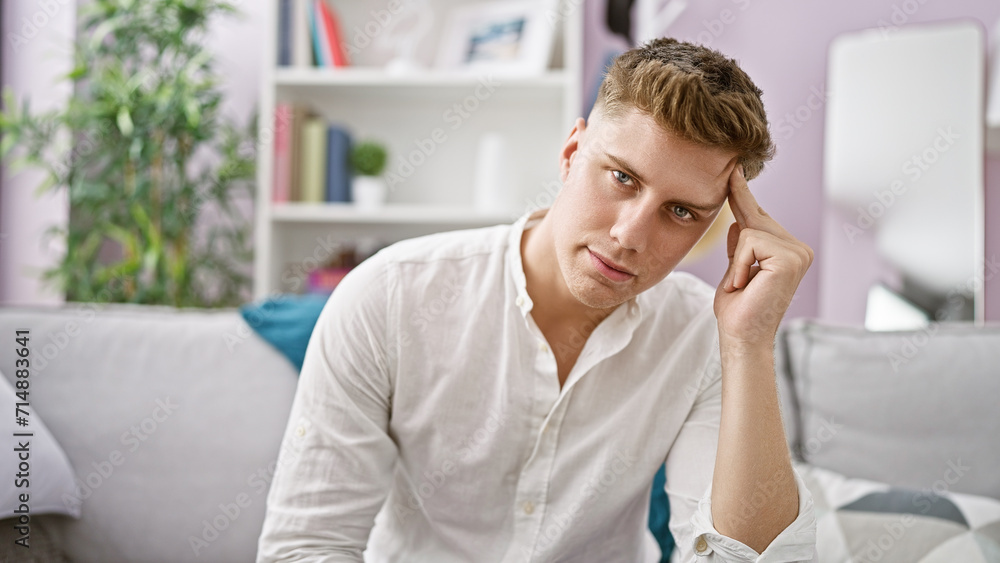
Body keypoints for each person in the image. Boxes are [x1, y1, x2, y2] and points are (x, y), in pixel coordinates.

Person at [257, 38, 817, 562]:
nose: (629, 235)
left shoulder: (706, 337)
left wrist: (749, 344)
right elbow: (306, 545)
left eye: (680, 212)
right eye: (622, 178)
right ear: (572, 153)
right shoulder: (388, 295)